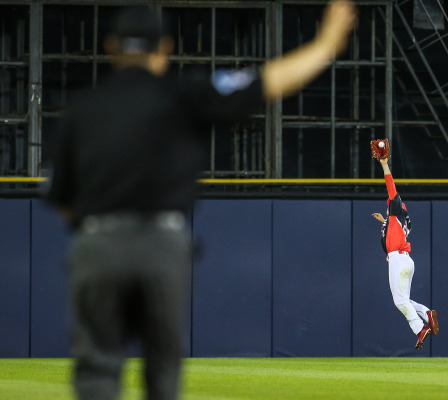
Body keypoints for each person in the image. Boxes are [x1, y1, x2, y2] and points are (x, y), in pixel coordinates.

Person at [46, 2, 356, 400]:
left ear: (111, 46)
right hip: (162, 243)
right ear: (165, 48)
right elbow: (267, 81)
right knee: (162, 371)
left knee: (97, 371)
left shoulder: (81, 108)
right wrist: (325, 43)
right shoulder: (184, 94)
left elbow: (63, 200)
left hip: (97, 242)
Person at [371, 157, 439, 350]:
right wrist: (383, 220)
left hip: (398, 261)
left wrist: (384, 164)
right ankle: (426, 313)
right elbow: (393, 230)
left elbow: (390, 185)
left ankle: (420, 329)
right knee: (405, 300)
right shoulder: (400, 221)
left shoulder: (396, 209)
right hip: (406, 261)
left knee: (399, 301)